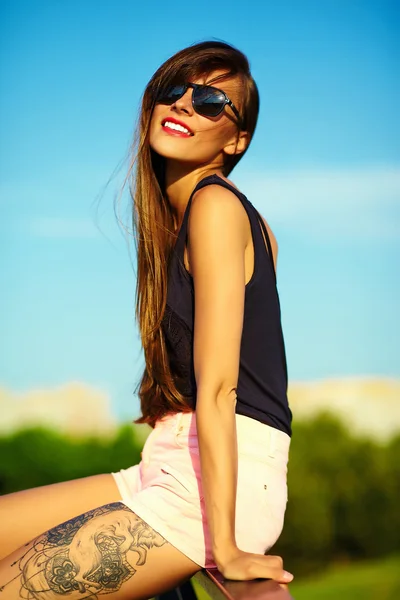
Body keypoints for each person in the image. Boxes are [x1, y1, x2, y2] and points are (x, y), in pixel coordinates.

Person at [0, 40, 293, 599]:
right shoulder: (190, 219)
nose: (184, 104)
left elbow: (221, 389)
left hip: (210, 485)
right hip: (166, 463)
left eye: (210, 101)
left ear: (236, 140)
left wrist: (227, 546)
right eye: (173, 90)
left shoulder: (216, 207)